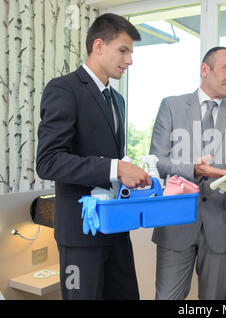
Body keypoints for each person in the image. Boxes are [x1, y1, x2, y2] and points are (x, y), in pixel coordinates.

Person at [36, 13, 152, 300]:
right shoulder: (63, 89)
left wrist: (129, 175)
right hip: (80, 234)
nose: (130, 61)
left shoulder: (118, 100)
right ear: (98, 46)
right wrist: (115, 168)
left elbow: (108, 156)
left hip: (116, 228)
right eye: (123, 50)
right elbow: (48, 161)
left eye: (131, 53)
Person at [149, 46, 226, 300]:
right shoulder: (171, 106)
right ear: (205, 70)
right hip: (175, 221)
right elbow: (157, 161)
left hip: (221, 225)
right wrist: (191, 169)